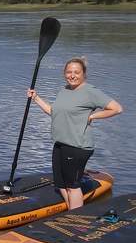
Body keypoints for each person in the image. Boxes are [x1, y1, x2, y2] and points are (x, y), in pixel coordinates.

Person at [28, 57, 122, 210]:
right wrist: (36, 98)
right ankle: (70, 211)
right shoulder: (64, 90)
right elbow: (54, 112)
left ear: (84, 74)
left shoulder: (90, 92)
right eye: (68, 72)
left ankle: (75, 218)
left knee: (72, 185)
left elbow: (117, 108)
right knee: (61, 184)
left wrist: (92, 116)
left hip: (78, 146)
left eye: (76, 72)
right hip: (60, 144)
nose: (72, 75)